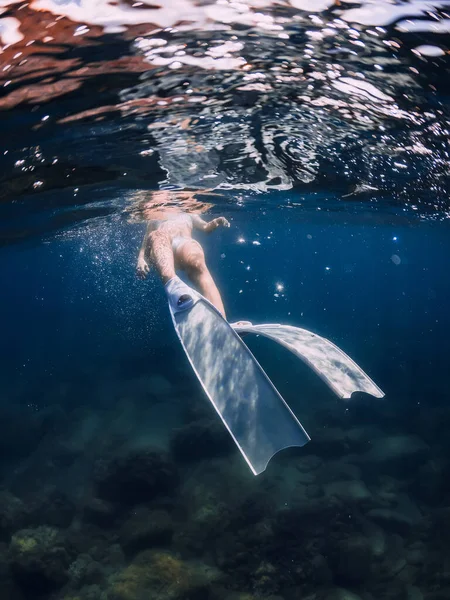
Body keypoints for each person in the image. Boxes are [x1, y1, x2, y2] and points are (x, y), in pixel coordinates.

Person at [136, 209, 230, 318]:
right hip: (163, 248)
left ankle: (221, 318)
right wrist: (141, 259)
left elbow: (205, 227)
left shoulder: (189, 212)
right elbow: (147, 239)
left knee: (197, 262)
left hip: (184, 245)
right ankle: (174, 287)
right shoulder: (154, 215)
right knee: (157, 234)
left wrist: (215, 223)